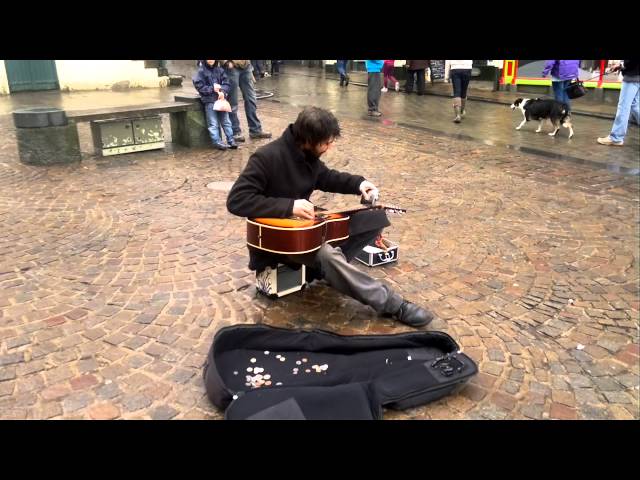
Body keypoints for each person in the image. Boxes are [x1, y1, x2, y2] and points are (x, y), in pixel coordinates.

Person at [226, 106, 435, 328]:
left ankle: (327, 272)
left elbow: (327, 177)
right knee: (327, 255)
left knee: (374, 218)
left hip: (307, 230)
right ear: (307, 139)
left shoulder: (307, 155)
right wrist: (289, 206)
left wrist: (359, 184)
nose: (329, 147)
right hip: (281, 243)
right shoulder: (266, 157)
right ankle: (394, 305)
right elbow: (237, 200)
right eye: (326, 143)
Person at [220, 60, 272, 143]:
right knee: (233, 102)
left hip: (246, 66)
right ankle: (235, 132)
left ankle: (255, 130)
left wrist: (249, 65)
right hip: (231, 67)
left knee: (251, 99)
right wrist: (226, 62)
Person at [192, 60, 237, 150]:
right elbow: (200, 87)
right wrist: (212, 89)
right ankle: (217, 141)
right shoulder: (201, 72)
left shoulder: (220, 70)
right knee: (213, 123)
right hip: (209, 101)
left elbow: (226, 83)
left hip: (221, 100)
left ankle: (231, 140)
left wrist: (223, 92)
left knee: (226, 121)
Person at [597, 59, 640, 146]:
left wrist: (623, 65)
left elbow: (631, 62)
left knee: (623, 107)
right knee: (635, 106)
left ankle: (616, 138)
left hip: (632, 77)